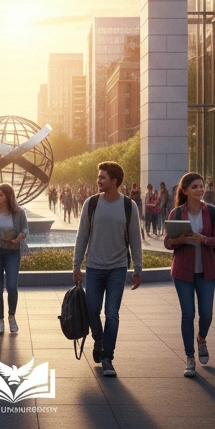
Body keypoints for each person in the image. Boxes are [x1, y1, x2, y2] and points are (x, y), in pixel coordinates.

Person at [73, 161, 143, 378]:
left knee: (112, 313)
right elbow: (82, 235)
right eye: (98, 176)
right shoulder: (91, 204)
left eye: (103, 177)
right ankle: (99, 339)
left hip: (117, 268)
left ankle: (107, 358)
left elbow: (135, 239)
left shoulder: (128, 206)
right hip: (94, 267)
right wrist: (76, 265)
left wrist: (138, 269)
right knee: (93, 310)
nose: (98, 180)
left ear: (114, 181)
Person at [166, 173, 215, 378]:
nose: (200, 190)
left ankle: (201, 339)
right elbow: (167, 243)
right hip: (183, 272)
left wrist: (204, 240)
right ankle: (189, 358)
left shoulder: (212, 211)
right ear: (185, 191)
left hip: (206, 270)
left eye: (201, 186)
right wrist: (180, 239)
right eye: (195, 187)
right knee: (187, 314)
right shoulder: (176, 213)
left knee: (206, 314)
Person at [0, 183, 29, 336]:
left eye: (0, 194)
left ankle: (12, 317)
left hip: (12, 251)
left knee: (12, 286)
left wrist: (20, 236)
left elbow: (25, 229)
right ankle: (0, 321)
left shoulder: (19, 212)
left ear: (8, 196)